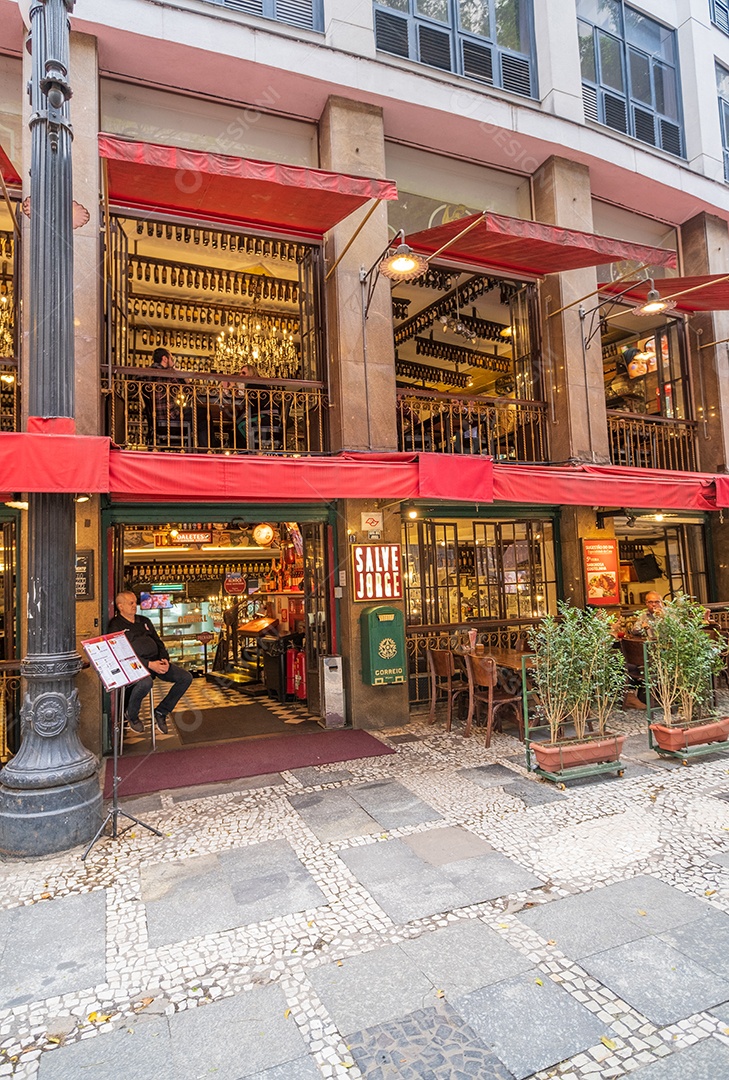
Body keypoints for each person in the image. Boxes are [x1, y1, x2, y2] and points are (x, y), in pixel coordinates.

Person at [107, 590, 192, 735]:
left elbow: (158, 641)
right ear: (120, 606)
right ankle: (132, 716)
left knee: (186, 677)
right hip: (134, 666)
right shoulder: (115, 625)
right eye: (131, 603)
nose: (135, 605)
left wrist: (164, 659)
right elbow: (120, 652)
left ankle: (161, 711)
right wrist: (148, 664)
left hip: (156, 662)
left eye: (135, 602)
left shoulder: (144, 621)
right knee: (146, 683)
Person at [142, 347, 185, 449]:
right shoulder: (168, 375)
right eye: (171, 358)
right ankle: (204, 450)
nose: (172, 360)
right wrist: (175, 370)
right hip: (169, 416)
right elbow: (187, 386)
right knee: (201, 414)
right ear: (165, 359)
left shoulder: (145, 374)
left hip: (154, 419)